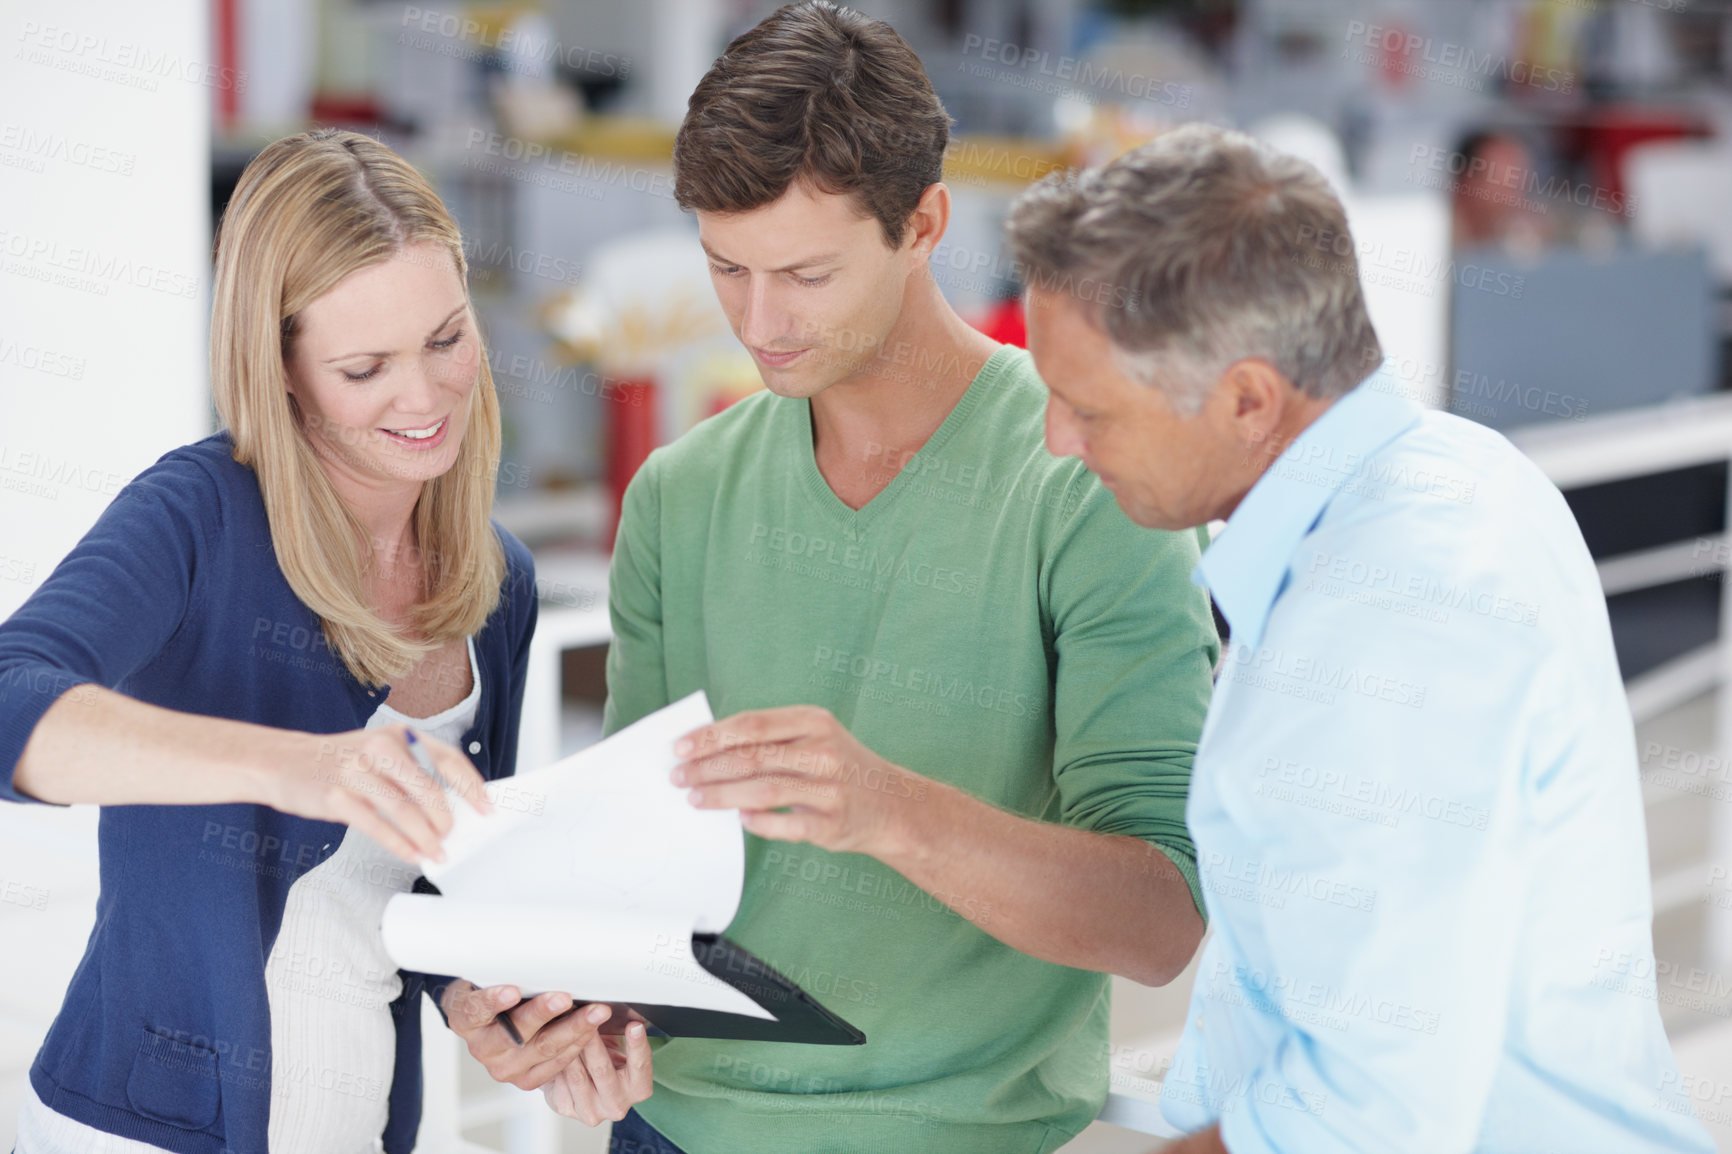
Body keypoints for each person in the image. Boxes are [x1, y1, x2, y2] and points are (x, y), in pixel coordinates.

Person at [1006, 122, 1716, 1154]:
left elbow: (1364, 1110)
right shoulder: (1447, 471)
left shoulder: (1387, 618)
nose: (1056, 440)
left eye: (1087, 408)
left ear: (1248, 397)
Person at [599, 4, 1219, 1152]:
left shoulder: (1086, 481)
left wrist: (890, 811)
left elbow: (1161, 918)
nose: (758, 320)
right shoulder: (677, 497)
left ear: (924, 223)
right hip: (669, 1133)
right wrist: (555, 1008)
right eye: (725, 268)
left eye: (806, 273)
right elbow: (635, 876)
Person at [0, 128, 648, 1154]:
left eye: (445, 339)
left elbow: (432, 889)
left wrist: (499, 1009)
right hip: (142, 1127)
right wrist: (304, 767)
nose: (426, 396)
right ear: (284, 367)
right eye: (365, 366)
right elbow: (9, 700)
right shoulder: (199, 515)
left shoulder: (495, 580)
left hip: (357, 1117)